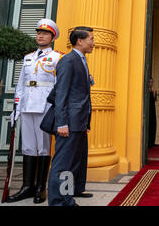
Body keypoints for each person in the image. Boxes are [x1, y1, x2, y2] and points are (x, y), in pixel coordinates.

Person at [7, 19, 63, 204]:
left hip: (45, 107)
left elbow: (59, 86)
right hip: (27, 106)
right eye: (39, 32)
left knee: (44, 147)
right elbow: (21, 84)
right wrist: (16, 107)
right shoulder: (28, 57)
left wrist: (56, 110)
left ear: (52, 37)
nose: (40, 35)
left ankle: (41, 187)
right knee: (29, 147)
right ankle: (27, 187)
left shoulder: (57, 57)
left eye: (45, 33)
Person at [47, 26, 95, 206]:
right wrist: (62, 123)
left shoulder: (81, 60)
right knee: (62, 165)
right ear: (80, 41)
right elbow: (61, 94)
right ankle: (59, 201)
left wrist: (86, 121)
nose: (93, 42)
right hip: (69, 122)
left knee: (74, 163)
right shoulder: (68, 61)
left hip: (80, 122)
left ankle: (69, 194)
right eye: (91, 39)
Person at [148, 78, 157, 148]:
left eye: (152, 82)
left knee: (153, 126)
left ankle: (152, 142)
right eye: (150, 82)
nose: (151, 83)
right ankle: (148, 143)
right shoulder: (146, 91)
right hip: (148, 111)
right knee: (149, 126)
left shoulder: (152, 91)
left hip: (153, 110)